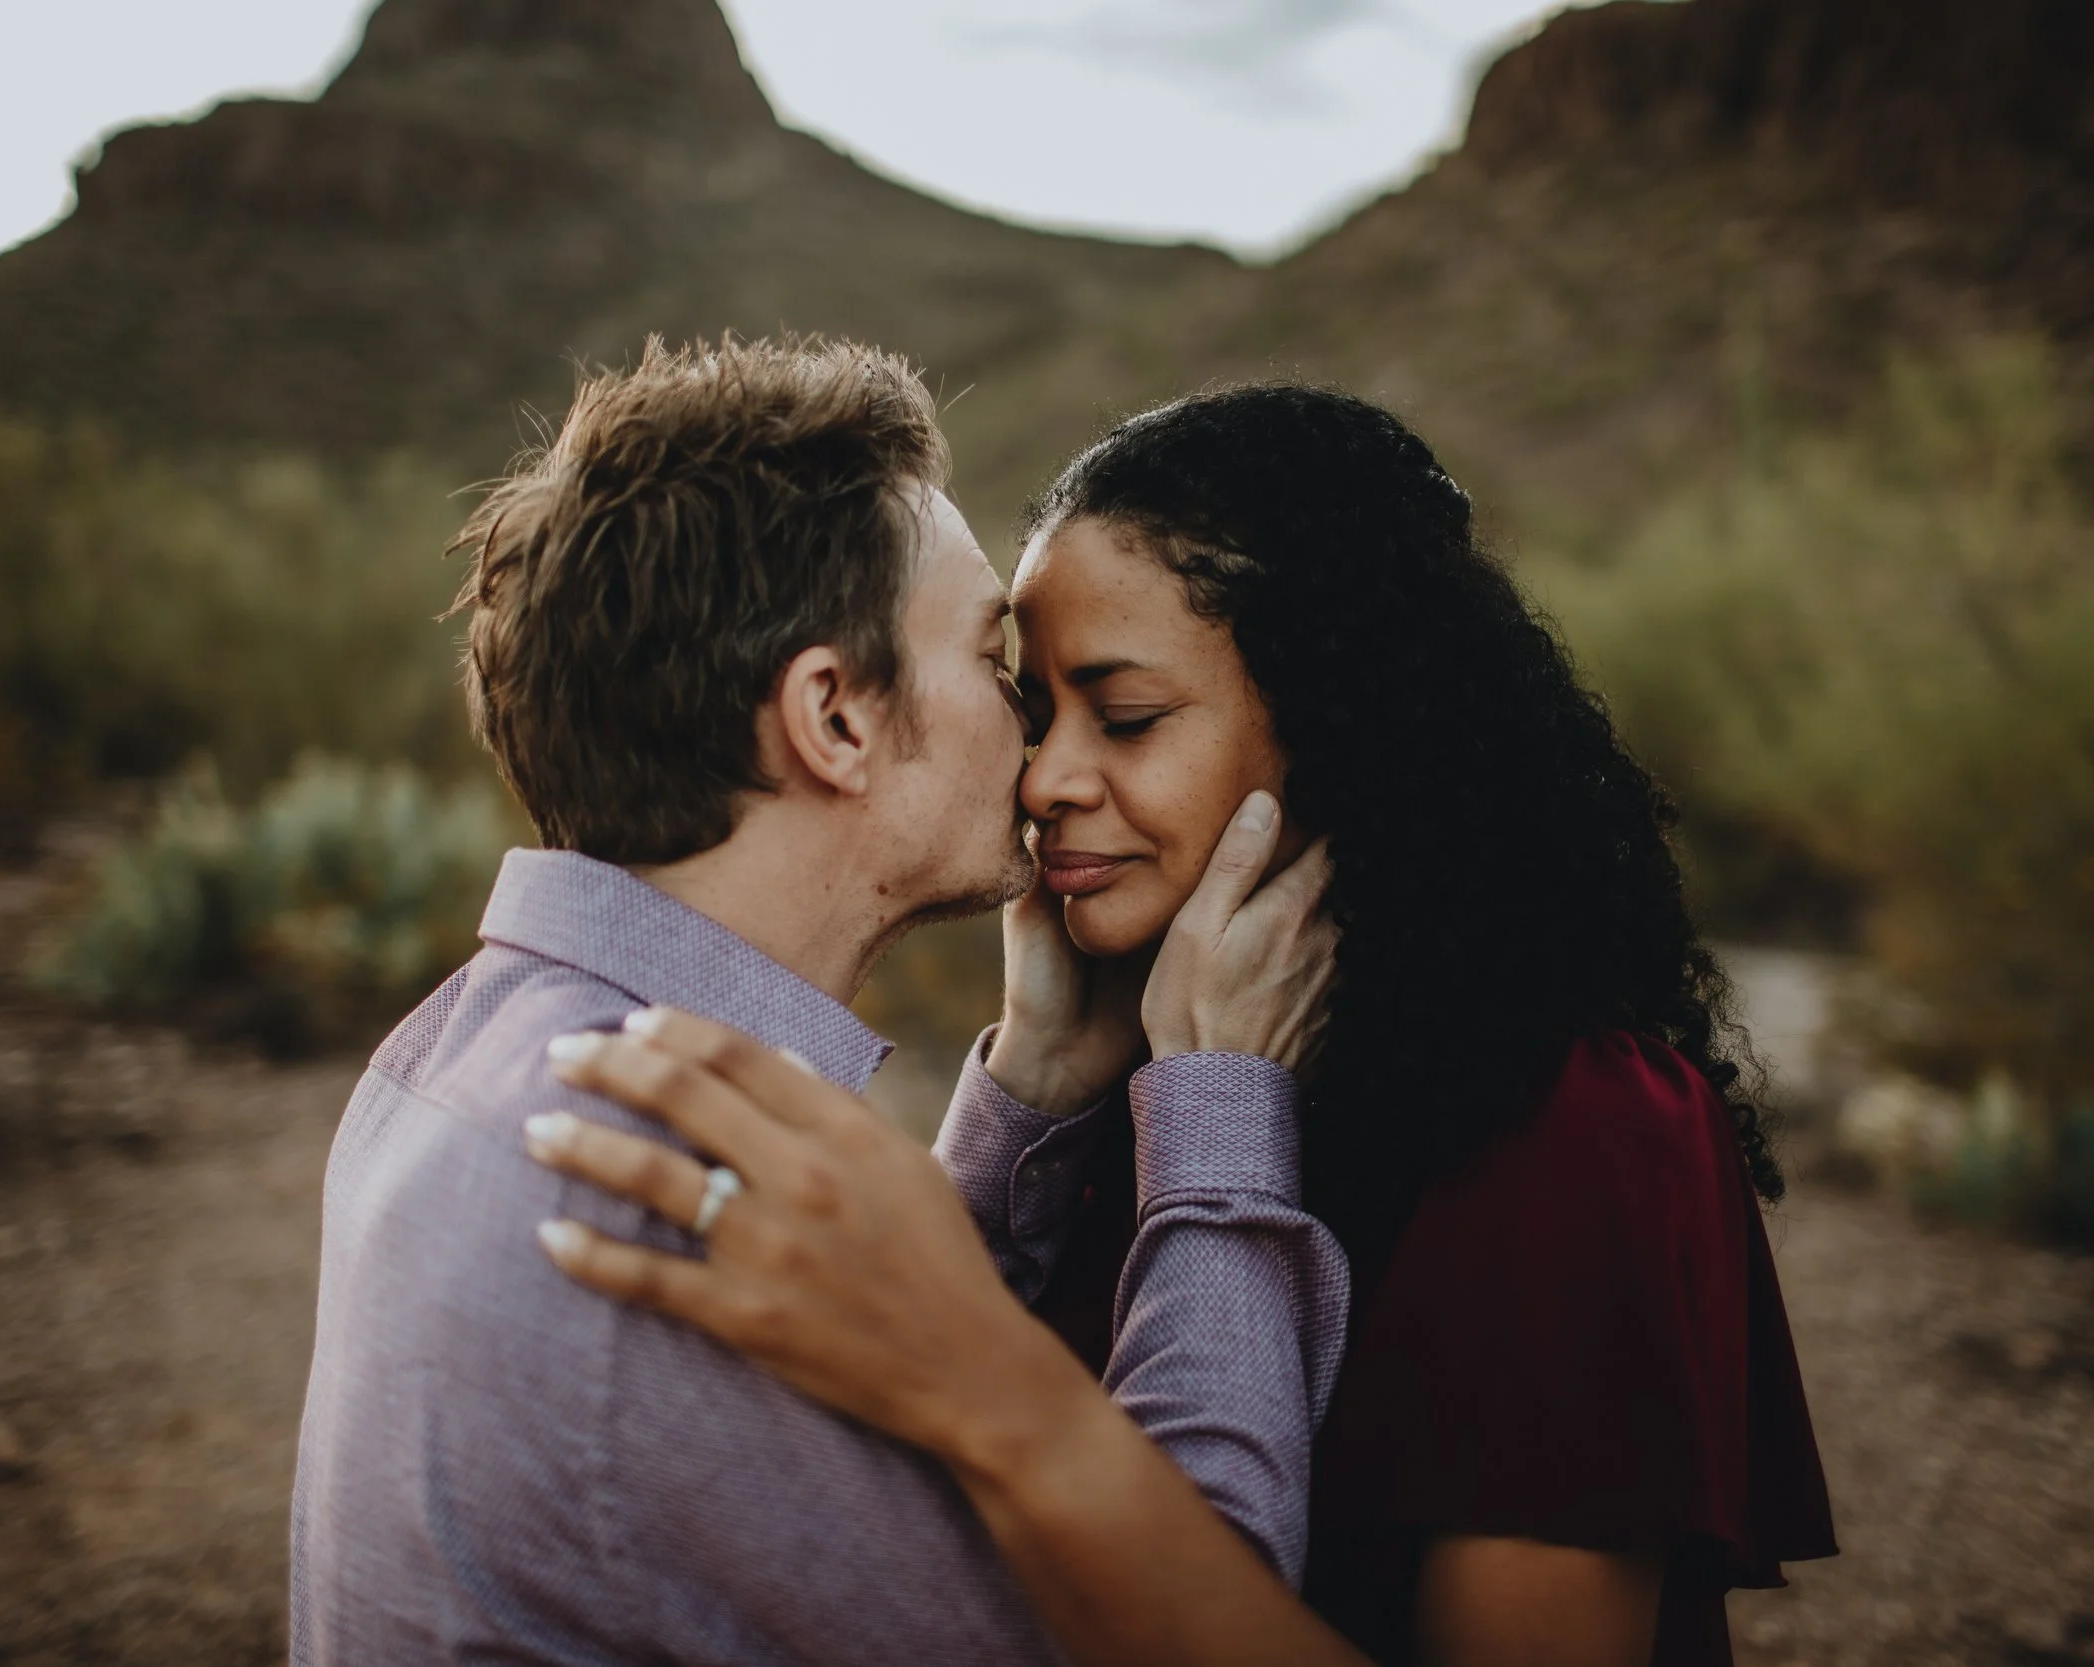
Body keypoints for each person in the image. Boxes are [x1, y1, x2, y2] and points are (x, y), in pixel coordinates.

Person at [532, 383, 1839, 1667]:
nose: (1044, 779)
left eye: (1130, 715)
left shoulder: (1579, 1128)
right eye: (1035, 710)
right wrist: (1030, 1093)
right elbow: (915, 1486)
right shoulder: (1133, 1076)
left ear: (1343, 728)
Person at [287, 339, 1348, 1666]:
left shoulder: (461, 1041)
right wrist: (1219, 1099)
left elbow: (911, 1388)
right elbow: (1179, 1607)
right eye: (990, 657)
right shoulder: (649, 1183)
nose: (1036, 742)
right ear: (835, 716)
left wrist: (1028, 1084)